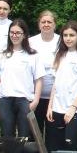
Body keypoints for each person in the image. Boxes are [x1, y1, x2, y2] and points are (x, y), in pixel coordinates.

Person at [0, 19, 43, 149]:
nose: (15, 35)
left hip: (25, 101)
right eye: (12, 32)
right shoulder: (2, 54)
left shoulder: (33, 55)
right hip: (5, 100)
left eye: (18, 32)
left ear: (24, 35)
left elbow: (39, 80)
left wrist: (35, 100)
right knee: (7, 136)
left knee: (25, 137)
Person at [47, 21, 77, 153]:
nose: (68, 38)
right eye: (65, 35)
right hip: (57, 108)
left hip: (75, 109)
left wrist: (73, 108)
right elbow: (55, 83)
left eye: (72, 35)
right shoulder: (59, 55)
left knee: (71, 144)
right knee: (56, 145)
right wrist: (50, 106)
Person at [29, 10, 59, 140]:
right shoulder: (31, 41)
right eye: (43, 22)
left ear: (54, 24)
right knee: (35, 131)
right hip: (35, 94)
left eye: (49, 22)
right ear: (39, 24)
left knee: (53, 132)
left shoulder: (61, 40)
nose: (46, 24)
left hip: (56, 95)